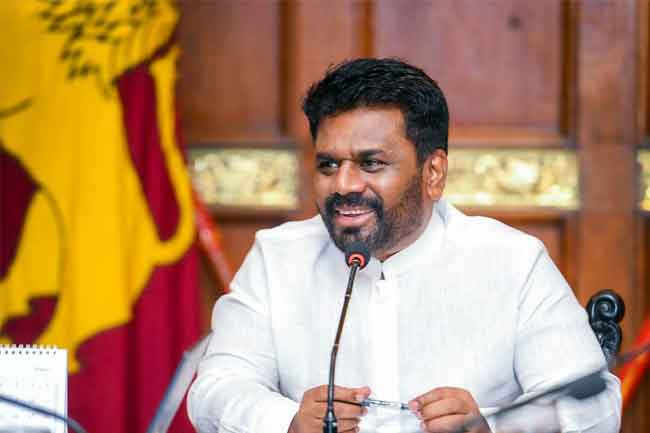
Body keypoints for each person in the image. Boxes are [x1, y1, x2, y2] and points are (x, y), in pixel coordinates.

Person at [187, 58, 621, 433]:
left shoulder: (512, 261)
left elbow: (596, 407)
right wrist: (287, 421)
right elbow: (216, 388)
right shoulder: (277, 257)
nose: (344, 185)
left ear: (433, 173)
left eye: (371, 163)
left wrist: (491, 426)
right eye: (329, 164)